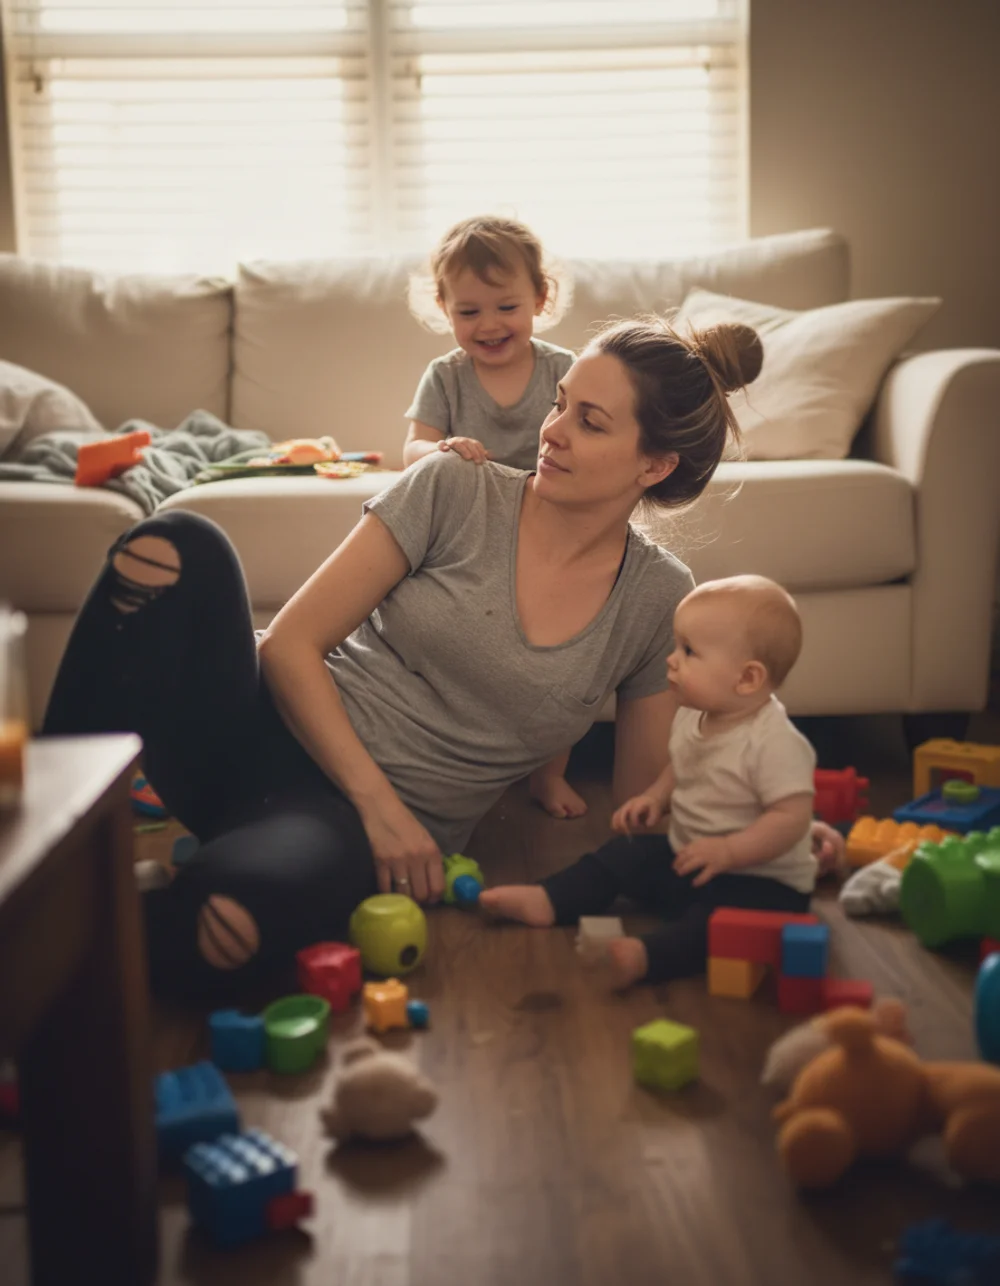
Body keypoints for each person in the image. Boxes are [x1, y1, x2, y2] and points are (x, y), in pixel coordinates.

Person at [42, 314, 763, 1006]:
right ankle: (40, 853)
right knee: (177, 544)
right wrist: (381, 807)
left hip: (322, 825)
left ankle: (48, 942)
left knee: (228, 932)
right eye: (561, 404)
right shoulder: (454, 487)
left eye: (590, 422)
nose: (551, 431)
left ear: (656, 464)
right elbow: (293, 644)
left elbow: (641, 807)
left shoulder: (657, 597)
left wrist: (767, 826)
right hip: (255, 724)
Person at [480, 575, 821, 991]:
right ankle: (549, 900)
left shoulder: (774, 743)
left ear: (747, 679)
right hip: (692, 859)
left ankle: (649, 957)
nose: (671, 661)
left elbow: (790, 818)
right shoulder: (695, 715)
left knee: (713, 926)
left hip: (763, 885)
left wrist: (730, 851)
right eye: (677, 646)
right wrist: (656, 798)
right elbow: (682, 765)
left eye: (690, 651)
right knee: (624, 855)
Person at [403, 214, 583, 819]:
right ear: (444, 308)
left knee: (558, 652)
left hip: (551, 525)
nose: (489, 325)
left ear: (540, 297)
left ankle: (548, 773)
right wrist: (444, 448)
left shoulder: (565, 371)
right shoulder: (446, 376)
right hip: (470, 528)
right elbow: (412, 452)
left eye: (506, 307)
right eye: (469, 312)